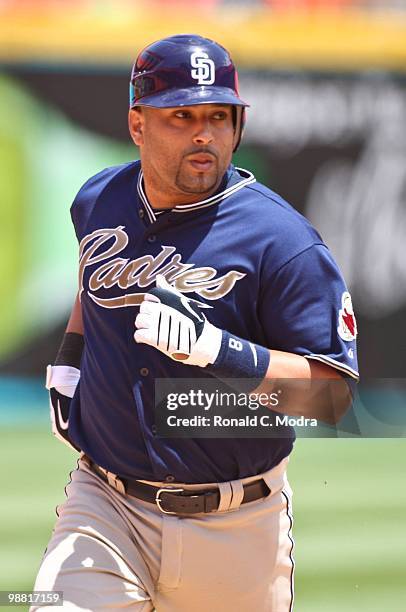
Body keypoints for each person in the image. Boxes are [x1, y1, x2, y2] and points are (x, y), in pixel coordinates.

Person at [32, 34, 359, 611]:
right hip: (104, 509)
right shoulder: (97, 200)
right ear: (138, 125)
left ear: (238, 127)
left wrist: (221, 351)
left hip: (236, 528)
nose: (204, 133)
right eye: (181, 115)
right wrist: (68, 358)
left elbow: (329, 399)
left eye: (218, 115)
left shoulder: (284, 243)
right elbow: (92, 281)